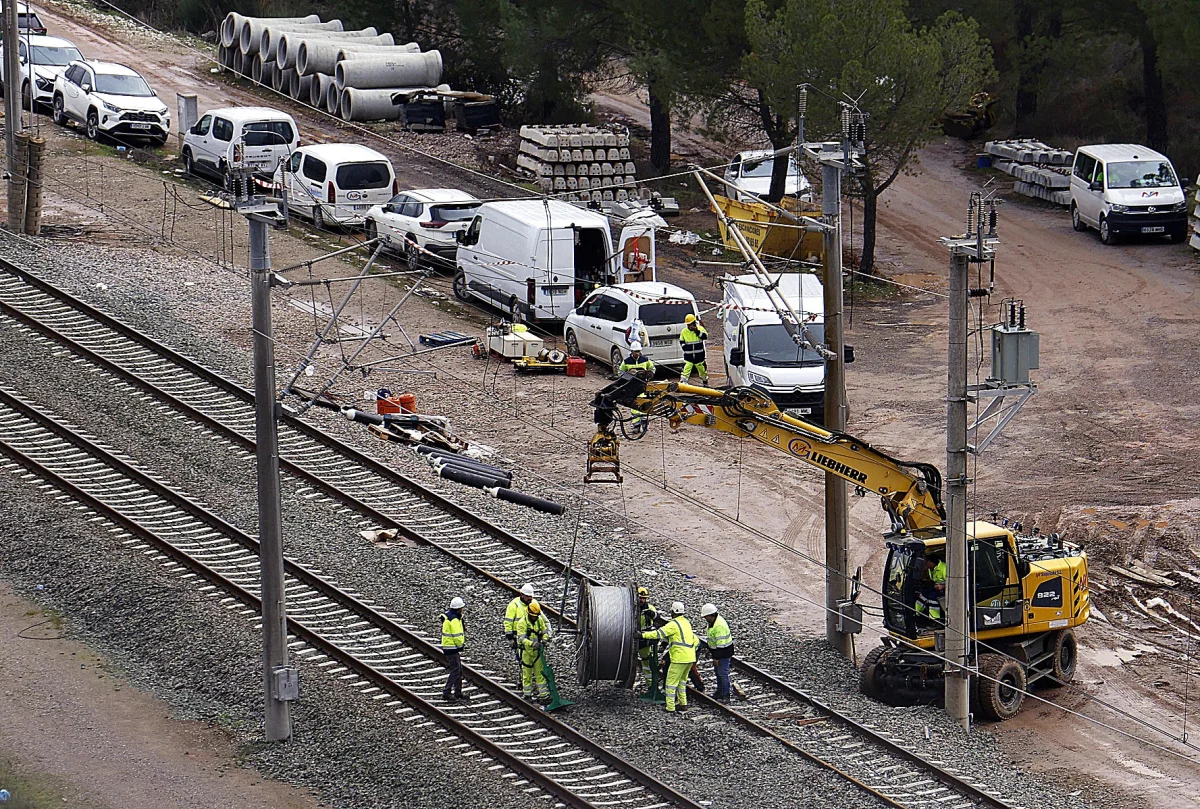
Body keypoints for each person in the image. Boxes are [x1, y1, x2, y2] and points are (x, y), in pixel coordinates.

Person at [642, 601, 698, 713]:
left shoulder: (673, 624)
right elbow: (695, 640)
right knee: (682, 682)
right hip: (690, 657)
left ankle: (670, 707)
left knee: (671, 684)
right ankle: (683, 704)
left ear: (673, 612)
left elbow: (658, 634)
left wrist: (642, 635)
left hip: (679, 658)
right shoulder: (686, 623)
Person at [516, 599, 552, 703]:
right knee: (527, 675)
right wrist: (532, 644)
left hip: (537, 653)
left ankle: (544, 695)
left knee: (540, 674)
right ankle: (527, 695)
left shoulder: (539, 620)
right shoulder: (522, 623)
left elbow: (545, 631)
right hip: (526, 653)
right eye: (533, 616)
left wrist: (545, 639)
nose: (535, 617)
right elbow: (521, 639)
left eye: (536, 616)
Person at [699, 603, 734, 702]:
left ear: (711, 615)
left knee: (723, 673)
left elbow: (721, 645)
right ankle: (720, 692)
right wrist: (709, 649)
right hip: (718, 651)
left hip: (724, 653)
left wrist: (716, 658)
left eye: (706, 616)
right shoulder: (712, 622)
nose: (705, 618)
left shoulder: (719, 626)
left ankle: (726, 695)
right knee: (718, 673)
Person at [504, 583, 536, 685]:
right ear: (522, 595)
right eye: (528, 596)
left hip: (531, 636)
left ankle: (527, 681)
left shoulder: (533, 603)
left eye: (531, 597)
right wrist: (509, 638)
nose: (530, 599)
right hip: (518, 637)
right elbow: (508, 622)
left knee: (532, 660)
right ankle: (523, 681)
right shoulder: (514, 605)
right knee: (522, 660)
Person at [619, 342, 655, 429]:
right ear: (631, 351)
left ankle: (644, 422)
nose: (637, 353)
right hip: (631, 387)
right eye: (635, 351)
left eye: (638, 351)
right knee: (634, 405)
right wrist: (628, 377)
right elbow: (621, 372)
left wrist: (648, 375)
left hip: (642, 386)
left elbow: (652, 369)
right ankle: (636, 424)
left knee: (643, 403)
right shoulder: (627, 362)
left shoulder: (645, 360)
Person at [441, 596, 466, 702]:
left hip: (448, 646)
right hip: (452, 647)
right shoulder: (454, 619)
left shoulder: (450, 617)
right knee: (456, 670)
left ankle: (458, 692)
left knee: (459, 669)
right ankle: (447, 693)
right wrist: (460, 645)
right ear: (459, 609)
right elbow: (457, 635)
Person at [636, 586, 659, 689]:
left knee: (646, 663)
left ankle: (651, 685)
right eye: (640, 597)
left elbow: (657, 618)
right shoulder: (630, 608)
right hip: (631, 638)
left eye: (643, 598)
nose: (642, 600)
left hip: (644, 639)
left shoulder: (650, 608)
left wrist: (651, 614)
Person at [679, 313, 709, 386]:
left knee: (702, 371)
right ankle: (683, 383)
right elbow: (681, 341)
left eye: (691, 324)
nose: (689, 326)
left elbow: (705, 337)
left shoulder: (700, 329)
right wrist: (684, 348)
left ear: (694, 323)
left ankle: (705, 382)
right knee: (686, 370)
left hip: (699, 357)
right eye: (688, 325)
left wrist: (697, 331)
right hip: (688, 357)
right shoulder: (684, 331)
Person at [916, 556, 947, 621]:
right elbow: (933, 580)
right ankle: (917, 613)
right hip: (937, 587)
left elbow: (953, 582)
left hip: (946, 589)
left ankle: (935, 619)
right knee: (923, 594)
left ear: (931, 562)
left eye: (927, 562)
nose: (925, 564)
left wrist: (942, 586)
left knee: (932, 597)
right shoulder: (930, 569)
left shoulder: (944, 568)